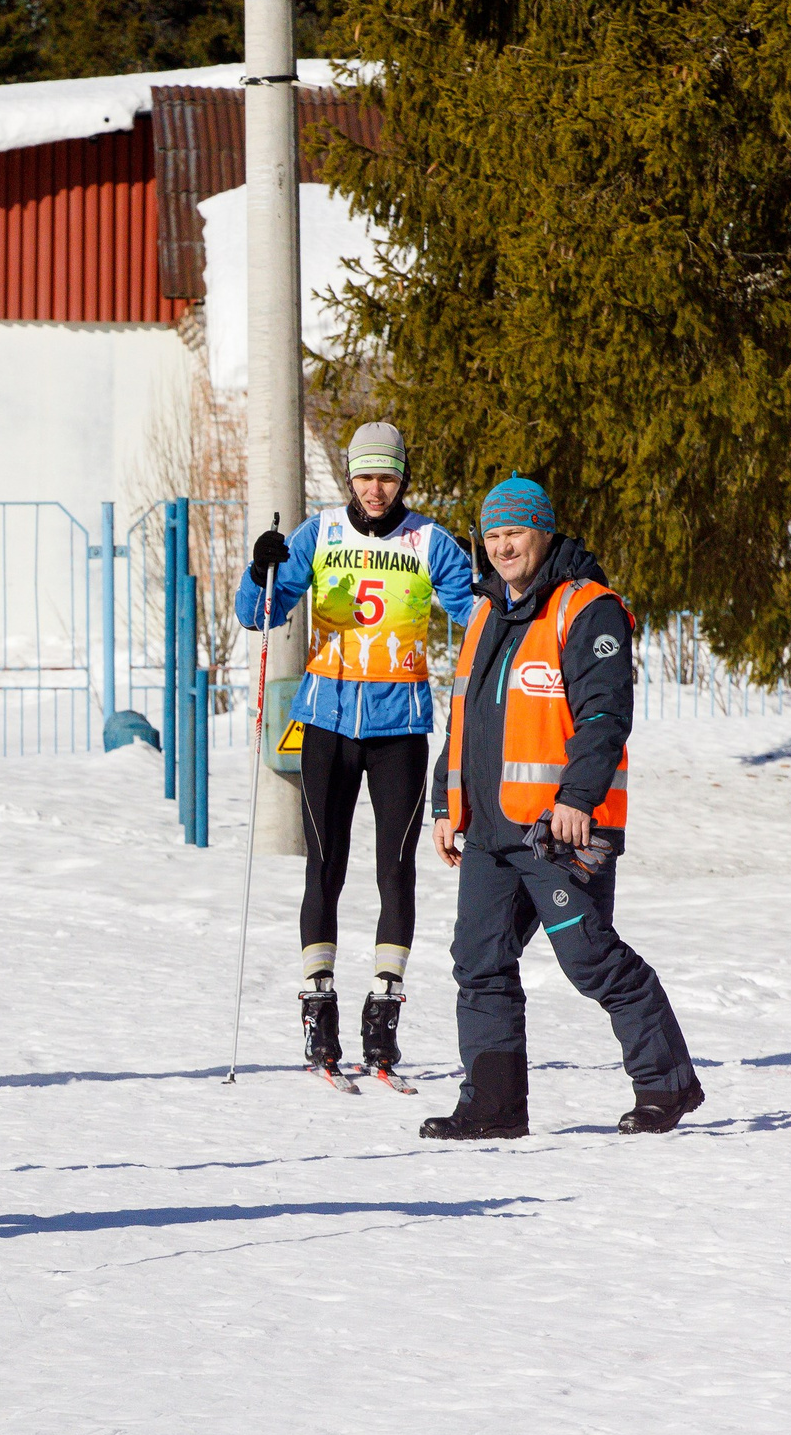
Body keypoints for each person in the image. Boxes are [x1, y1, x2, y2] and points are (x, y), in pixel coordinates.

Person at [421, 477, 703, 1138]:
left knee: (588, 957)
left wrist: (579, 797)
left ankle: (668, 1082)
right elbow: (463, 718)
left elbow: (605, 713)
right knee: (480, 959)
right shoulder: (488, 610)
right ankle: (493, 1105)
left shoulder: (588, 607)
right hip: (490, 828)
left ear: (543, 531)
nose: (503, 546)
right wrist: (444, 801)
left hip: (559, 827)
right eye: (492, 535)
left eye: (514, 532)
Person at [235, 422, 476, 1079]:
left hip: (399, 726)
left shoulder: (430, 541)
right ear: (350, 477)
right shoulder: (320, 534)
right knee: (325, 865)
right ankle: (319, 1009)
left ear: (404, 478)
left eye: (388, 476)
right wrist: (261, 568)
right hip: (328, 722)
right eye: (366, 476)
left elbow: (477, 617)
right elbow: (258, 612)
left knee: (396, 867)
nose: (376, 489)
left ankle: (384, 1010)